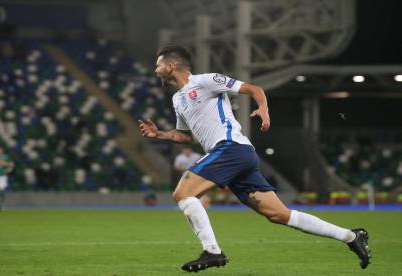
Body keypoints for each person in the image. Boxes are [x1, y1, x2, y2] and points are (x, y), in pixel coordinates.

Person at [138, 45, 371, 272]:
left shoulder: (206, 81)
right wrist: (159, 134)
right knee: (279, 214)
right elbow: (186, 137)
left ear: (171, 66)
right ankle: (351, 236)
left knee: (183, 193)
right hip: (233, 155)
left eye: (158, 65)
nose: (155, 70)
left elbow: (253, 88)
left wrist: (263, 109)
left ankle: (213, 251)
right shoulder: (178, 99)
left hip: (231, 148)